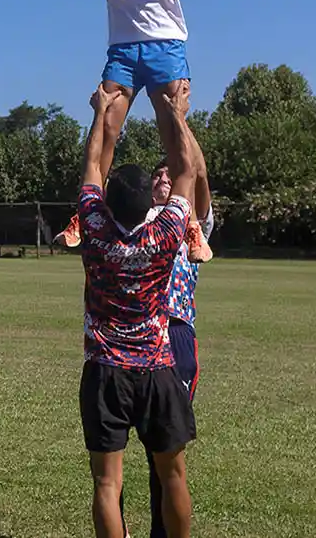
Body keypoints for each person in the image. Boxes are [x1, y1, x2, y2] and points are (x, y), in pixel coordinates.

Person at [31, 0, 193, 253]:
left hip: (165, 49)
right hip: (122, 53)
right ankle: (85, 215)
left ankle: (187, 222)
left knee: (175, 135)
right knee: (104, 128)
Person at [77, 80, 202, 538]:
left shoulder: (93, 228)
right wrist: (174, 111)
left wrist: (101, 112)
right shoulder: (165, 233)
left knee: (107, 484)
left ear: (107, 202)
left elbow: (93, 162)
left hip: (105, 372)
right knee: (173, 477)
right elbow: (186, 169)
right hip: (156, 369)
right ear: (150, 201)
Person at [120, 151, 215, 538]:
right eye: (157, 174)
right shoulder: (131, 220)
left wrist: (179, 119)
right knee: (111, 452)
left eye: (169, 173)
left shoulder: (191, 224)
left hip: (174, 334)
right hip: (131, 333)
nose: (163, 177)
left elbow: (199, 173)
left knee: (163, 451)